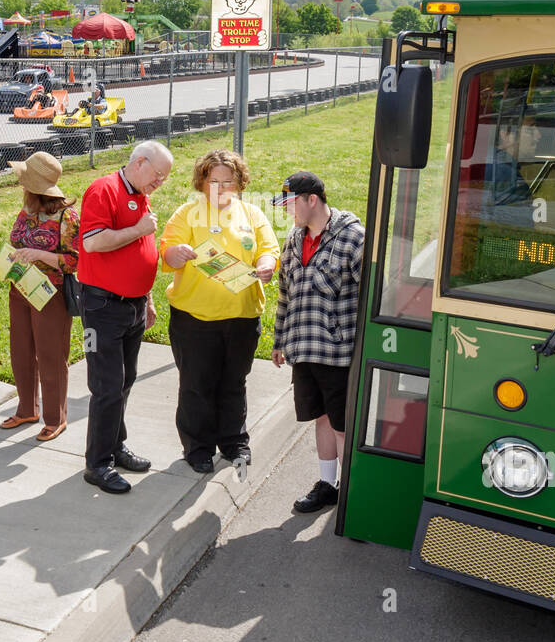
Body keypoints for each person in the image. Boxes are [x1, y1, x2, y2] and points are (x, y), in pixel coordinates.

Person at [160, 150, 279, 473]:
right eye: (214, 181)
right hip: (195, 318)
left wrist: (267, 265)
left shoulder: (252, 214)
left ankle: (234, 441)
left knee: (234, 382)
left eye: (229, 181)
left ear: (240, 182)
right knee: (197, 385)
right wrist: (177, 253)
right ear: (202, 181)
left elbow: (269, 249)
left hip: (242, 316)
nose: (222, 187)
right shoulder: (187, 213)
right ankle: (197, 447)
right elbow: (166, 254)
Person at [77, 141, 173, 494]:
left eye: (164, 177)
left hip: (131, 304)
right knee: (106, 386)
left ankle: (115, 446)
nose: (160, 181)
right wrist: (140, 229)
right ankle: (97, 464)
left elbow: (138, 252)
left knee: (125, 380)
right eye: (158, 174)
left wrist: (146, 298)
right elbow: (93, 243)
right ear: (140, 163)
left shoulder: (137, 193)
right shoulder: (103, 190)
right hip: (103, 306)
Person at [271, 171, 365, 514]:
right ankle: (328, 484)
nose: (287, 212)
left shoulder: (354, 238)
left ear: (312, 200)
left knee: (342, 425)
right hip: (304, 349)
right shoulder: (294, 240)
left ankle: (353, 494)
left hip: (338, 354)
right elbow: (285, 294)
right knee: (321, 418)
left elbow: (371, 298)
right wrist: (280, 339)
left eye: (290, 204)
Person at [0, 153, 79, 441]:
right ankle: (26, 409)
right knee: (21, 350)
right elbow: (16, 240)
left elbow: (75, 261)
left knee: (51, 355)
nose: (21, 187)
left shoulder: (67, 217)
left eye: (24, 183)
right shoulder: (27, 211)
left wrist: (40, 255)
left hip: (51, 292)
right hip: (20, 287)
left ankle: (55, 418)